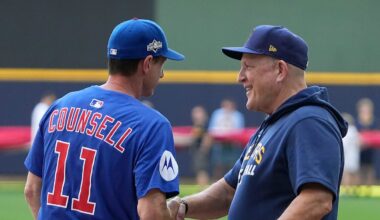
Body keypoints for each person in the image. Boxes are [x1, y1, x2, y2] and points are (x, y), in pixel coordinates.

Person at [168, 25, 348, 220]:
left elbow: (316, 200)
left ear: (280, 70)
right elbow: (228, 192)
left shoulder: (309, 121)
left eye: (248, 67)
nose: (240, 77)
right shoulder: (275, 123)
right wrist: (183, 206)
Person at [24, 18, 184, 220]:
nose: (162, 74)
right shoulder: (152, 125)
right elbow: (152, 213)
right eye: (161, 64)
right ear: (147, 63)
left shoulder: (60, 106)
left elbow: (31, 190)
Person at [208, 98, 245, 179]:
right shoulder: (217, 114)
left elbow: (239, 131)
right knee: (218, 166)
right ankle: (216, 183)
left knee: (233, 166)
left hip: (232, 146)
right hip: (219, 145)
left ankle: (232, 184)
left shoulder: (237, 115)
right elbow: (211, 130)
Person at [355, 98, 378, 184]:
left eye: (367, 109)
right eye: (363, 109)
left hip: (370, 150)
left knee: (369, 169)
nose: (365, 111)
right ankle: (359, 188)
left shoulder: (374, 122)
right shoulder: (357, 122)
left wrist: (369, 141)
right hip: (359, 150)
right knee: (359, 169)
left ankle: (369, 188)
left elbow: (376, 135)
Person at [341, 113, 361, 185]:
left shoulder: (349, 131)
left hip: (348, 155)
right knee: (353, 173)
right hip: (353, 155)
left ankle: (347, 189)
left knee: (347, 173)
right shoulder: (354, 130)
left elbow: (344, 145)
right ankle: (354, 189)